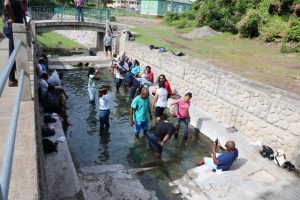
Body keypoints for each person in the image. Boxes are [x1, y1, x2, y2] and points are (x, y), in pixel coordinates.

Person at [3, 0, 26, 87]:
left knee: (15, 52)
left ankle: (13, 77)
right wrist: (13, 18)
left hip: (15, 28)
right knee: (12, 54)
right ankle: (11, 79)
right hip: (12, 28)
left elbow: (22, 10)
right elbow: (6, 4)